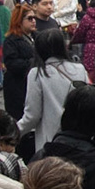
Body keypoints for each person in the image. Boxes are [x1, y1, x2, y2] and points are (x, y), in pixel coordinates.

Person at [16, 24, 88, 158]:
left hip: (50, 142)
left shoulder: (37, 73)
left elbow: (32, 115)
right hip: (79, 140)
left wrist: (14, 132)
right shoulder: (80, 70)